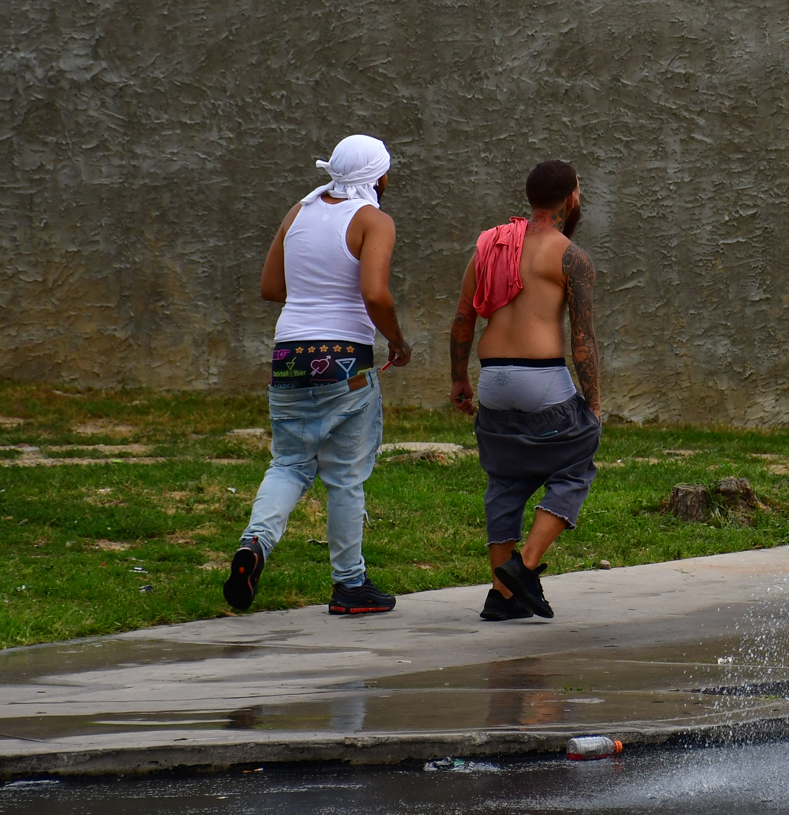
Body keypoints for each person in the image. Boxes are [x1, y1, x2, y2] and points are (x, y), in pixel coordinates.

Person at [223, 134, 412, 616]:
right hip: (345, 360)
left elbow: (271, 287)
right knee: (345, 477)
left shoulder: (299, 212)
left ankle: (253, 546)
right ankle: (349, 584)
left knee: (288, 463)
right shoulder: (374, 220)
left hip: (288, 355)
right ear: (378, 176)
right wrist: (396, 340)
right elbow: (375, 294)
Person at [449, 159, 602, 621]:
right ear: (572, 197)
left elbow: (461, 321)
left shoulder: (490, 248)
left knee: (505, 480)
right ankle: (524, 566)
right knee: (576, 463)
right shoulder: (571, 256)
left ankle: (502, 597)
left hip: (493, 378)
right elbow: (583, 339)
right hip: (542, 378)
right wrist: (593, 403)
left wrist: (459, 379)